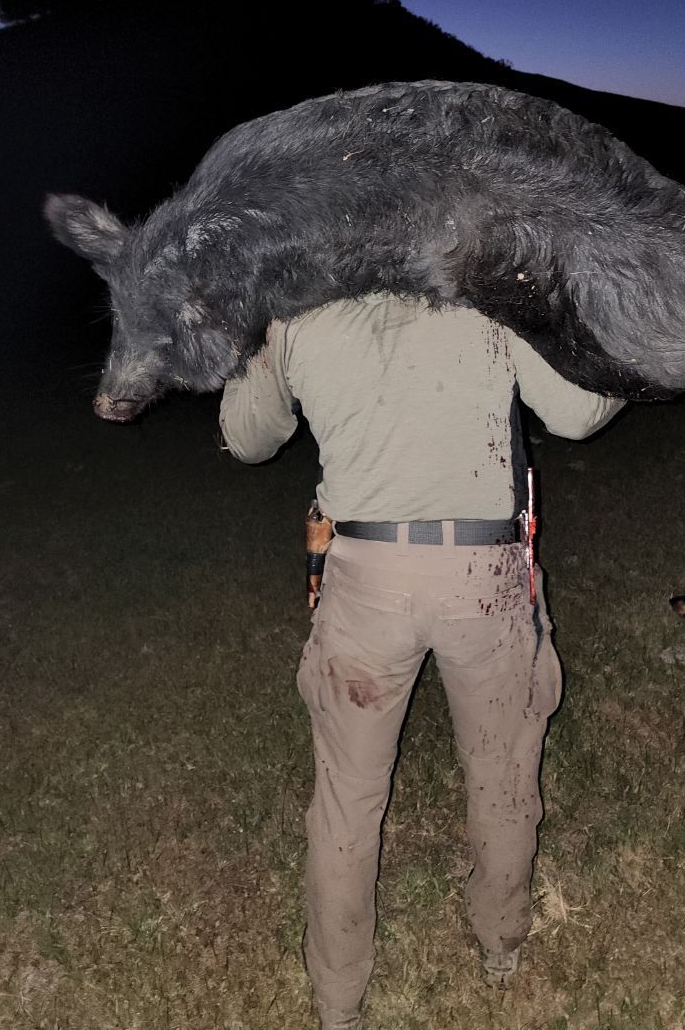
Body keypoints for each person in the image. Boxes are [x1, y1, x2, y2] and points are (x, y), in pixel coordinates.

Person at [218, 293, 624, 1030]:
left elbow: (246, 436)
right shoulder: (491, 296)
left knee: (347, 797)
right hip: (485, 578)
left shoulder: (302, 309)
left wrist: (262, 341)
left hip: (365, 580)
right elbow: (578, 411)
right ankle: (499, 943)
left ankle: (338, 1000)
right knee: (501, 775)